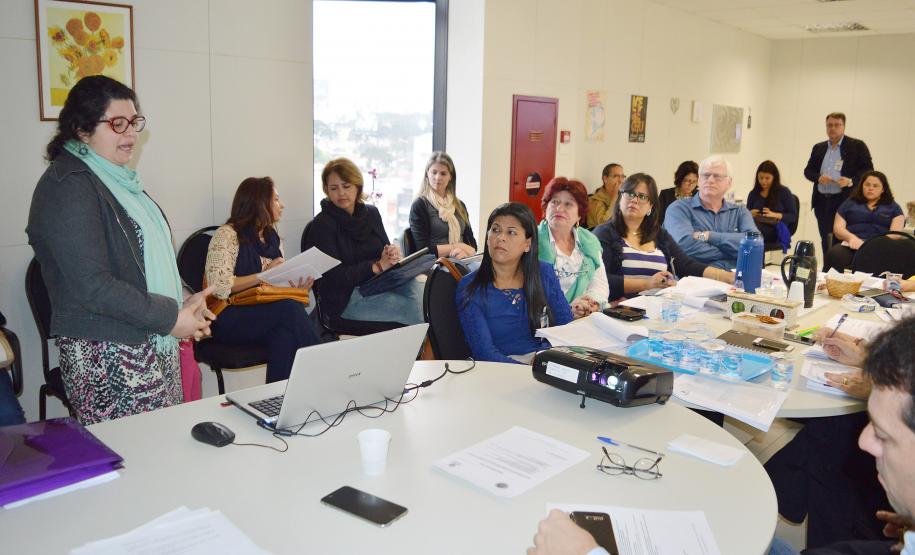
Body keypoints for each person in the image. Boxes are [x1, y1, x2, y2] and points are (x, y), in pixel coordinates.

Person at [26, 75, 213, 425]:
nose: (131, 134)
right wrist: (172, 317)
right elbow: (92, 285)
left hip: (150, 338)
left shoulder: (120, 183)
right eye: (117, 123)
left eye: (134, 122)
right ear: (82, 129)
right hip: (106, 351)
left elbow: (140, 263)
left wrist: (185, 300)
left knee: (162, 452)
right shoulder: (67, 186)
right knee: (138, 463)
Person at [204, 177, 322, 383]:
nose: (282, 205)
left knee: (284, 336)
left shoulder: (272, 238)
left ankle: (277, 404)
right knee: (288, 309)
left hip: (264, 313)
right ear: (259, 203)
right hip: (228, 315)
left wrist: (296, 287)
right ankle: (327, 368)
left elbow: (272, 288)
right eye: (276, 199)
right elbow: (219, 286)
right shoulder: (227, 235)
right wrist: (261, 276)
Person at [305, 157, 424, 326]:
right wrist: (375, 267)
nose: (341, 193)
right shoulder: (322, 224)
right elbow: (334, 278)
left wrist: (390, 255)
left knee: (422, 293)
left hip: (378, 284)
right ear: (326, 190)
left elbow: (383, 250)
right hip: (345, 298)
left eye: (346, 186)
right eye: (334, 188)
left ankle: (425, 348)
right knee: (407, 307)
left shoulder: (372, 213)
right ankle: (427, 350)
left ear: (357, 186)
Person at [456, 202, 574, 364]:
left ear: (527, 244)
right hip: (500, 368)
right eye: (495, 230)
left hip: (545, 360)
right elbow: (485, 353)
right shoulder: (470, 287)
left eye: (511, 232)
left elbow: (566, 326)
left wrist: (547, 361)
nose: (501, 237)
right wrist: (532, 370)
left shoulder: (543, 273)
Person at [594, 173, 733, 301]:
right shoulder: (604, 233)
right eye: (629, 194)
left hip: (659, 308)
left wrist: (726, 276)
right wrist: (647, 284)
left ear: (650, 207)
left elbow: (686, 265)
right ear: (620, 199)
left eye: (642, 196)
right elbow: (600, 280)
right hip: (620, 310)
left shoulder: (659, 234)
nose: (634, 200)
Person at [663, 155, 759, 270]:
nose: (710, 180)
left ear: (729, 183)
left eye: (717, 176)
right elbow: (684, 245)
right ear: (699, 179)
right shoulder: (678, 209)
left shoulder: (739, 212)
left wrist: (709, 236)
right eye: (706, 175)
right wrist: (736, 252)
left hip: (735, 280)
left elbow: (755, 240)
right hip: (694, 280)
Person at [803, 112, 874, 260]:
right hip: (822, 201)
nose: (833, 128)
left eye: (837, 125)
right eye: (830, 125)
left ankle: (841, 269)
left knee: (840, 238)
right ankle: (827, 268)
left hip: (844, 201)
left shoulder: (857, 146)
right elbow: (808, 171)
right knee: (825, 238)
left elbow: (868, 170)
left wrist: (850, 181)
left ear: (844, 126)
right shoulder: (819, 147)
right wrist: (818, 177)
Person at [537, 177, 609, 318]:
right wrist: (568, 309)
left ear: (579, 214)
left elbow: (599, 284)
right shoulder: (532, 241)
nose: (559, 208)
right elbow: (533, 293)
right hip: (545, 322)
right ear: (546, 207)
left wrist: (588, 304)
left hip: (583, 318)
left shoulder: (589, 242)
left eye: (568, 204)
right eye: (555, 202)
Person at [823, 170, 905, 272]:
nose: (870, 188)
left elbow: (896, 234)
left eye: (875, 186)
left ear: (883, 189)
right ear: (862, 186)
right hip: (851, 245)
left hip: (880, 247)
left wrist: (874, 244)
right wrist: (851, 238)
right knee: (835, 254)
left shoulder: (894, 207)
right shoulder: (849, 203)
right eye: (867, 185)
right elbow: (838, 228)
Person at [408, 151, 477, 259]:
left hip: (462, 259)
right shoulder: (420, 205)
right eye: (434, 172)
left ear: (451, 177)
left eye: (443, 173)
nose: (438, 177)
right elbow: (423, 250)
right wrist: (458, 246)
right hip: (435, 265)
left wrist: (462, 253)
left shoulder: (460, 206)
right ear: (427, 174)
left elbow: (472, 245)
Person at [747, 160, 797, 249]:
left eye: (767, 178)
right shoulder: (753, 193)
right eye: (760, 178)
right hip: (757, 225)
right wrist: (750, 213)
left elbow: (793, 216)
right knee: (749, 229)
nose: (763, 181)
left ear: (774, 177)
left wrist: (774, 215)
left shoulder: (783, 192)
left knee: (752, 232)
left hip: (776, 229)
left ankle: (753, 260)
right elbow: (746, 214)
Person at [586, 163, 625, 228]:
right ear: (605, 179)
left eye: (623, 177)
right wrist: (615, 197)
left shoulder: (623, 197)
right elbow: (603, 224)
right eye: (616, 176)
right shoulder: (594, 200)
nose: (621, 181)